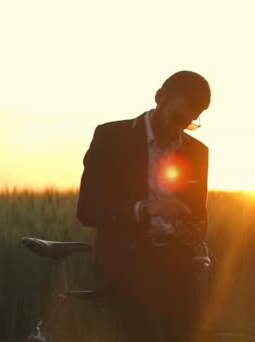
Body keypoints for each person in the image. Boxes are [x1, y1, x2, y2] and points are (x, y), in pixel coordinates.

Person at [76, 70, 212, 341]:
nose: (179, 129)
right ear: (160, 97)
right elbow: (88, 209)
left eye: (188, 124)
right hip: (126, 266)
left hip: (178, 265)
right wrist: (146, 209)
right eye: (176, 117)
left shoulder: (198, 152)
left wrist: (194, 231)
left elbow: (199, 214)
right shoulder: (111, 137)